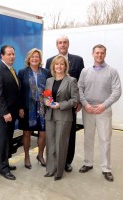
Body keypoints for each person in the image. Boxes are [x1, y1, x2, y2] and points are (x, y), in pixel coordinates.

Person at [78, 44, 122, 182]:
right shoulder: (85, 71)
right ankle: (88, 163)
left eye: (102, 53)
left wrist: (104, 105)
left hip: (104, 110)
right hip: (88, 110)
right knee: (88, 138)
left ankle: (106, 168)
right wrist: (85, 104)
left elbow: (117, 91)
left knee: (105, 140)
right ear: (92, 54)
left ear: (105, 54)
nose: (99, 55)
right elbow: (79, 88)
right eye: (97, 53)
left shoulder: (112, 71)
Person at [45, 35, 84, 172]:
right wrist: (47, 101)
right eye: (60, 43)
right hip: (52, 110)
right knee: (53, 138)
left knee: (69, 135)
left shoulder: (78, 60)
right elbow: (48, 87)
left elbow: (81, 83)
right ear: (57, 45)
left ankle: (67, 162)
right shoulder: (50, 60)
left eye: (65, 42)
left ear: (68, 44)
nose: (62, 45)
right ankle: (54, 163)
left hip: (69, 105)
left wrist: (78, 101)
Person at [44, 55, 79, 181]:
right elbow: (46, 96)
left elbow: (75, 100)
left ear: (65, 66)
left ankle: (59, 172)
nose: (59, 66)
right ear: (53, 66)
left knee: (60, 144)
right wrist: (46, 102)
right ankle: (50, 169)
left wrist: (60, 105)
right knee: (50, 144)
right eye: (56, 64)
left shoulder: (71, 80)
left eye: (61, 64)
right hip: (50, 116)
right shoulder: (49, 80)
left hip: (64, 116)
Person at [0, 45, 20, 180]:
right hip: (2, 115)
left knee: (7, 140)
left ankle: (3, 163)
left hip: (11, 114)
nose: (12, 56)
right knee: (2, 142)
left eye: (13, 54)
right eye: (9, 54)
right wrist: (5, 113)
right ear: (2, 55)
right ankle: (3, 169)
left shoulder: (11, 70)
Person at [17, 48, 49, 169]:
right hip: (27, 107)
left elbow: (48, 90)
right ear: (29, 59)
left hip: (42, 107)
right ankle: (26, 156)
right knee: (27, 133)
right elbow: (19, 91)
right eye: (32, 57)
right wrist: (20, 107)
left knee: (43, 133)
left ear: (40, 59)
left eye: (37, 57)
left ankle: (40, 156)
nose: (35, 59)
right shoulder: (22, 72)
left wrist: (50, 103)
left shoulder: (46, 72)